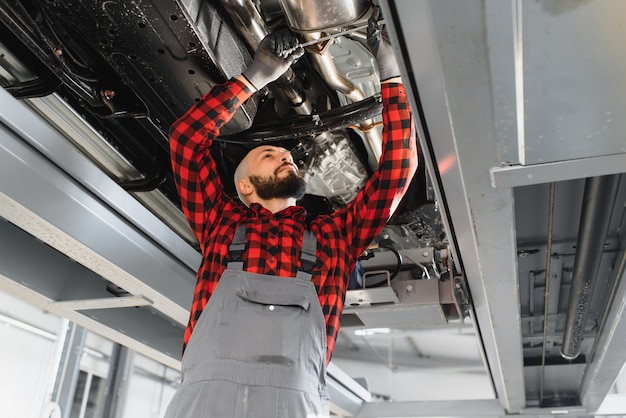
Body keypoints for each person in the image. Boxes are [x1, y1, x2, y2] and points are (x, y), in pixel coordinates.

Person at [164, 12, 417, 418]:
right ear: (244, 186)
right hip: (213, 396)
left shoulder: (338, 235)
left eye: (287, 156)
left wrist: (390, 78)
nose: (285, 155)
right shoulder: (222, 222)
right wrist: (253, 78)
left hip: (288, 399)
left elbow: (397, 174)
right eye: (269, 154)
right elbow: (187, 141)